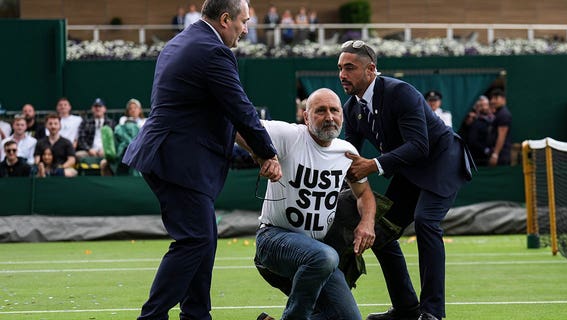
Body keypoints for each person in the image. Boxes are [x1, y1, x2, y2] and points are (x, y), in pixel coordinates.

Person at [121, 1, 282, 319]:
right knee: (196, 239)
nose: (246, 30)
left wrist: (253, 150)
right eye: (243, 22)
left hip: (168, 156)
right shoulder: (214, 51)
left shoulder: (182, 41)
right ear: (225, 19)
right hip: (179, 161)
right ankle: (152, 316)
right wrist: (268, 153)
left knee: (203, 240)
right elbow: (240, 108)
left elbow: (219, 111)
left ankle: (196, 315)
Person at [337, 40, 473, 320]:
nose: (342, 74)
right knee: (380, 232)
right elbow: (347, 157)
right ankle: (406, 309)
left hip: (442, 162)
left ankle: (432, 312)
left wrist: (373, 165)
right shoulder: (352, 109)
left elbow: (419, 145)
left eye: (350, 68)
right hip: (409, 170)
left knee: (426, 222)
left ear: (371, 69)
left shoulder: (401, 93)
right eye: (340, 68)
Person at [238, 88, 376, 320]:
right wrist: (263, 155)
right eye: (320, 111)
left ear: (342, 115)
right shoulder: (289, 135)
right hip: (274, 240)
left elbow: (365, 195)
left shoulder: (347, 153)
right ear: (306, 116)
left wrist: (367, 223)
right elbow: (238, 124)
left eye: (334, 110)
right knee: (326, 257)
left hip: (316, 251)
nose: (329, 117)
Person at [466, 96, 494, 166]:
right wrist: (485, 150)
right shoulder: (475, 122)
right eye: (481, 105)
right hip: (479, 159)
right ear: (477, 108)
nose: (484, 107)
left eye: (486, 105)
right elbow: (472, 140)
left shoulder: (493, 119)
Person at [488, 88, 512, 166]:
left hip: (501, 156)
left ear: (503, 99)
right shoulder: (498, 113)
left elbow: (501, 136)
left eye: (496, 98)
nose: (492, 101)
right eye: (492, 98)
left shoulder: (504, 114)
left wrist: (495, 155)